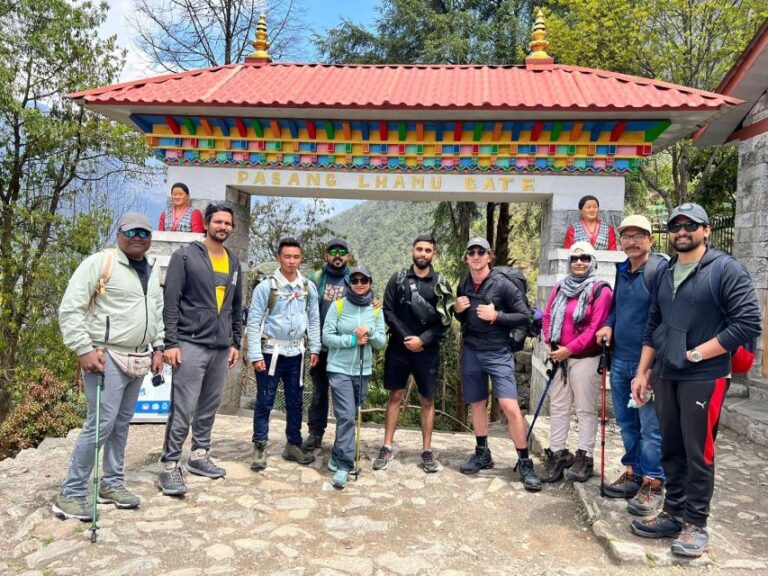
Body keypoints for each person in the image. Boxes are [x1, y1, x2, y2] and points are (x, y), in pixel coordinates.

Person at [630, 203, 761, 558]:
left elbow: (748, 323)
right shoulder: (664, 272)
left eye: (690, 225)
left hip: (705, 376)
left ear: (705, 230)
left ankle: (695, 524)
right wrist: (642, 372)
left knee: (697, 451)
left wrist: (701, 352)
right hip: (665, 373)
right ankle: (673, 512)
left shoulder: (725, 270)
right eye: (675, 226)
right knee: (671, 446)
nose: (682, 231)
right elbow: (652, 325)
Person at [54, 213, 164, 519]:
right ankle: (71, 492)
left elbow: (156, 310)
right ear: (119, 234)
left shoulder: (151, 271)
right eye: (132, 232)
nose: (138, 237)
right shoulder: (101, 263)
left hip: (140, 357)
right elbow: (70, 308)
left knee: (121, 424)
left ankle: (112, 483)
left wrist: (158, 347)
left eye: (144, 232)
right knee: (100, 424)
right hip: (106, 357)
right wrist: (83, 349)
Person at [158, 203, 243, 496]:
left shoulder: (233, 262)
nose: (223, 227)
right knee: (183, 406)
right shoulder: (185, 256)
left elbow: (235, 306)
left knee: (209, 405)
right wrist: (170, 343)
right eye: (218, 221)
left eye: (228, 223)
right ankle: (170, 465)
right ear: (206, 224)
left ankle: (199, 455)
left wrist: (235, 342)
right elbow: (171, 302)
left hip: (220, 346)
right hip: (190, 342)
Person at [454, 237, 541, 491]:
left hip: (498, 352)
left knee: (509, 406)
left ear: (489, 257)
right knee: (477, 403)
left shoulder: (503, 286)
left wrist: (497, 316)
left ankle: (524, 462)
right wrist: (457, 310)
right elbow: (464, 318)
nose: (476, 256)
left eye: (481, 252)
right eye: (472, 252)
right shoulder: (464, 282)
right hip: (471, 349)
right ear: (466, 258)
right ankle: (482, 452)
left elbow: (525, 316)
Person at [595, 215, 667, 514]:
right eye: (627, 236)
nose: (633, 241)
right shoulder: (622, 270)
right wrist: (609, 325)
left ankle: (653, 481)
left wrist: (649, 367)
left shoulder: (659, 271)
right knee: (626, 422)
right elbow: (616, 308)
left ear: (651, 239)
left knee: (650, 426)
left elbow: (664, 318)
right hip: (621, 357)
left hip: (646, 363)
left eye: (640, 235)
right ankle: (634, 472)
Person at [373, 234, 454, 473]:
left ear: (434, 254)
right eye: (419, 249)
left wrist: (423, 340)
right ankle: (387, 445)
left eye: (428, 250)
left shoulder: (441, 283)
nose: (423, 254)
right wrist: (408, 338)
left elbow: (445, 320)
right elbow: (388, 310)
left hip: (427, 352)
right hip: (399, 348)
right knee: (395, 395)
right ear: (412, 250)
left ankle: (427, 450)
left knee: (427, 399)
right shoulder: (397, 279)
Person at [540, 241, 612, 483]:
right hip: (559, 358)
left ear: (593, 262)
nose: (579, 262)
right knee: (559, 407)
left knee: (585, 409)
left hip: (585, 358)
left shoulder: (601, 290)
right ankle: (558, 452)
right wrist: (551, 341)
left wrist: (568, 349)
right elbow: (548, 315)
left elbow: (595, 327)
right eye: (575, 258)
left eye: (585, 258)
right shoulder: (561, 287)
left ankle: (585, 456)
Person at [247, 237, 321, 470]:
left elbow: (314, 319)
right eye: (287, 256)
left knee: (295, 400)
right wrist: (255, 355)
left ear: (301, 258)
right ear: (278, 258)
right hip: (270, 352)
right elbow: (254, 321)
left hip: (296, 353)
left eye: (296, 257)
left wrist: (315, 347)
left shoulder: (308, 287)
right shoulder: (265, 287)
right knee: (265, 400)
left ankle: (293, 444)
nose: (291, 261)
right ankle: (260, 444)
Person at [323, 266, 387, 488]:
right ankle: (344, 465)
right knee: (348, 416)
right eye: (355, 280)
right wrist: (350, 340)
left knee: (350, 414)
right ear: (349, 283)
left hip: (363, 369)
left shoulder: (376, 310)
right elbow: (326, 336)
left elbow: (381, 342)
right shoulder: (338, 306)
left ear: (370, 282)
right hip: (339, 368)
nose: (360, 283)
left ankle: (336, 452)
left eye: (364, 280)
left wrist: (368, 334)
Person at [302, 238, 352, 452]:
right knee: (319, 393)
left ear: (348, 256)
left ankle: (344, 438)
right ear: (326, 255)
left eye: (342, 251)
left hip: (345, 349)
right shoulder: (316, 279)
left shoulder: (355, 279)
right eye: (333, 251)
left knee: (345, 396)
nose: (338, 255)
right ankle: (315, 433)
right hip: (320, 349)